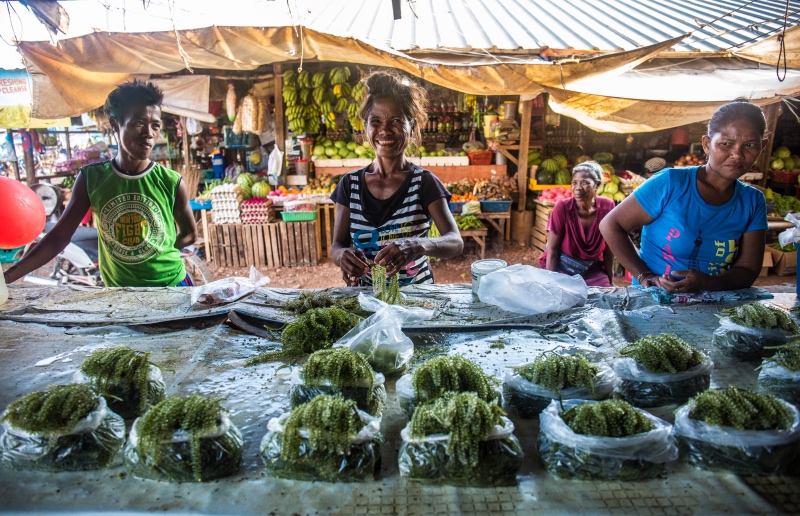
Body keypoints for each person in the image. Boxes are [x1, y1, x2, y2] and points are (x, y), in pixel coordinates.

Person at [4, 79, 198, 287]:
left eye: (155, 125)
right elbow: (59, 237)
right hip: (121, 294)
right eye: (139, 123)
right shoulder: (92, 178)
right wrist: (6, 278)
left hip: (172, 285)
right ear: (115, 124)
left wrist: (157, 254)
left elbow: (189, 234)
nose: (149, 133)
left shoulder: (170, 181)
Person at [599, 99, 768, 293]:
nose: (737, 154)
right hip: (654, 304)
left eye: (749, 145)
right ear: (706, 144)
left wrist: (709, 283)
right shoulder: (671, 183)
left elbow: (748, 269)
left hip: (713, 307)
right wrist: (644, 275)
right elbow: (610, 225)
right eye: (726, 143)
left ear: (762, 146)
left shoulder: (753, 201)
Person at [330, 70, 463, 286]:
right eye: (376, 121)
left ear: (411, 126)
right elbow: (337, 245)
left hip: (416, 300)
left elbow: (455, 241)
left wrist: (417, 245)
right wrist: (342, 257)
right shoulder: (349, 184)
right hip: (364, 299)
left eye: (395, 121)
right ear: (366, 127)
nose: (385, 130)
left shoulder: (424, 183)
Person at [538, 161, 615, 287]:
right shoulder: (562, 207)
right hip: (563, 268)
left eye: (585, 182)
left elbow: (609, 250)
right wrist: (550, 282)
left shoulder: (608, 206)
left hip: (592, 270)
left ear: (597, 185)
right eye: (574, 183)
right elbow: (553, 249)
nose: (578, 187)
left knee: (604, 296)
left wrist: (610, 280)